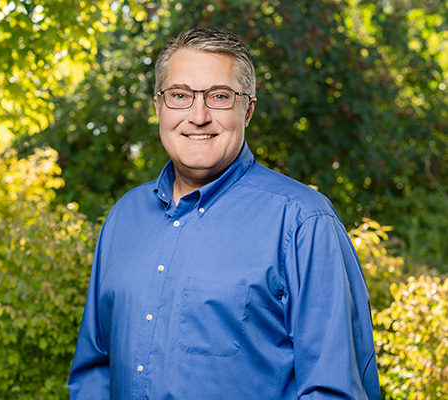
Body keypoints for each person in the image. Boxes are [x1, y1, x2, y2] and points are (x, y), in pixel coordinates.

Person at [68, 26, 381, 399]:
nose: (198, 116)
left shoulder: (303, 222)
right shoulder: (124, 218)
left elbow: (334, 389)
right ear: (158, 107)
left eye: (219, 96)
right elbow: (94, 369)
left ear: (247, 110)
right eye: (180, 96)